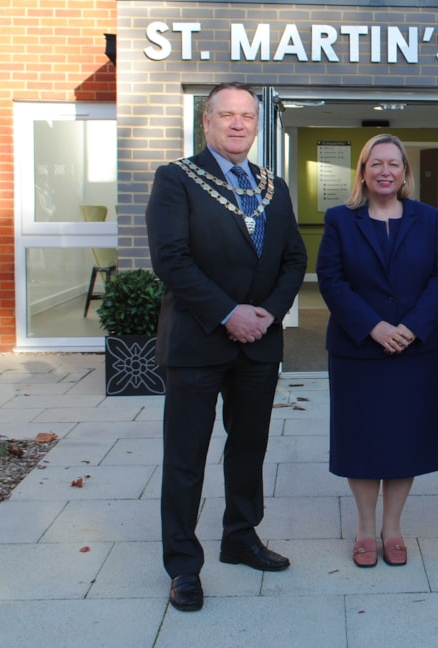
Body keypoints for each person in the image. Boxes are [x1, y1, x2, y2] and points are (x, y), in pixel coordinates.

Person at [146, 81, 307, 612]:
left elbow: (293, 260)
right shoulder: (176, 180)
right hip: (198, 342)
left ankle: (240, 537)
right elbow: (172, 260)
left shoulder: (274, 187)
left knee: (248, 449)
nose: (238, 124)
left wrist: (268, 313)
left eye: (247, 116)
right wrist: (227, 312)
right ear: (207, 122)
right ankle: (183, 566)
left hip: (258, 344)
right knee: (186, 458)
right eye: (227, 115)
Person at [316, 134, 438, 568]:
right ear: (363, 171)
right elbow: (331, 279)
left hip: (413, 352)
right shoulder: (340, 219)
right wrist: (374, 327)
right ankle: (363, 528)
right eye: (376, 163)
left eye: (394, 164)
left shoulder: (429, 219)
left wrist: (411, 328)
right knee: (362, 441)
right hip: (359, 351)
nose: (385, 171)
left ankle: (392, 528)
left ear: (405, 173)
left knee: (403, 441)